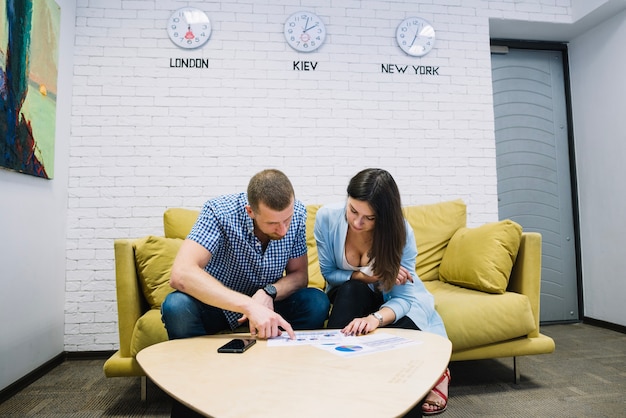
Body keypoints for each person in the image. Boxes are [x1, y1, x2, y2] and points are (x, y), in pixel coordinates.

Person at [314, 168, 451, 416]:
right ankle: (334, 385)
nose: (357, 222)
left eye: (370, 218)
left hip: (394, 300)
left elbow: (405, 298)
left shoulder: (402, 232)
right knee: (352, 291)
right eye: (353, 210)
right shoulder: (327, 218)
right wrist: (367, 275)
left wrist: (375, 319)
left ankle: (428, 379)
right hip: (350, 292)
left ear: (384, 217)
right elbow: (329, 273)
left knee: (399, 342)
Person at [161, 168, 330, 342]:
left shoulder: (299, 213)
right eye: (272, 223)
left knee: (316, 302)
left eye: (287, 219)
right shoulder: (219, 212)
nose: (283, 230)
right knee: (176, 306)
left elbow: (299, 276)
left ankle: (285, 357)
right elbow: (181, 273)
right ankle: (202, 366)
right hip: (218, 305)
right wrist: (249, 306)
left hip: (270, 305)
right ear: (250, 211)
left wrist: (269, 292)